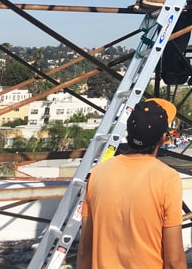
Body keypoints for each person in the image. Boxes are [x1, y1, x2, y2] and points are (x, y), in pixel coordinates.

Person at [76, 97, 186, 269]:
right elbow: (174, 261)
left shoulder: (98, 174)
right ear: (163, 137)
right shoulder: (167, 179)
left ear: (128, 131)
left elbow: (85, 250)